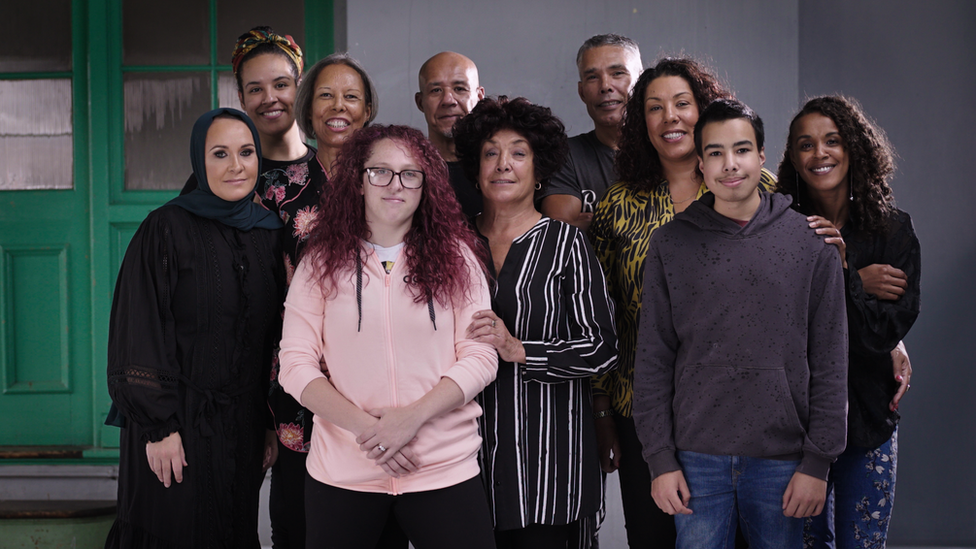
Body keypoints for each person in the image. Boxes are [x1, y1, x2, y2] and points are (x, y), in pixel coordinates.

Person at [633, 98, 849, 548]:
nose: (730, 165)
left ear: (762, 156)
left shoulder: (811, 244)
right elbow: (653, 359)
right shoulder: (670, 244)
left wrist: (817, 463)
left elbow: (831, 363)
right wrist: (660, 460)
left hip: (783, 460)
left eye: (742, 149)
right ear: (700, 162)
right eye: (715, 153)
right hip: (695, 460)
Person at [277, 124, 498, 549]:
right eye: (380, 171)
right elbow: (295, 365)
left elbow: (480, 356)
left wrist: (410, 419)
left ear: (425, 185)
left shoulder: (458, 259)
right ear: (358, 181)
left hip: (441, 466)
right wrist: (371, 431)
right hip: (345, 471)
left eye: (409, 173)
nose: (395, 184)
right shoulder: (320, 263)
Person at [588, 57, 776, 548]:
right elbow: (602, 316)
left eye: (682, 103)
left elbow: (806, 290)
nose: (670, 117)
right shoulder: (619, 205)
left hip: (741, 410)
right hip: (643, 413)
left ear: (705, 110)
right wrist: (603, 411)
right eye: (654, 108)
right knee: (652, 539)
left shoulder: (762, 188)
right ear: (641, 125)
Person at [105, 108, 284, 548]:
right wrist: (159, 428)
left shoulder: (268, 233)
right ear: (199, 162)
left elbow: (269, 340)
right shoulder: (166, 229)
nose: (236, 166)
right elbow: (139, 329)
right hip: (174, 426)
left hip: (239, 429)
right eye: (220, 154)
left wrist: (265, 423)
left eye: (246, 153)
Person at [453, 96, 618, 548]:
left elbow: (602, 347)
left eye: (518, 153)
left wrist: (521, 350)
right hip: (464, 467)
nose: (503, 164)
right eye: (491, 152)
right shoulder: (453, 245)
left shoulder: (567, 245)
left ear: (539, 166)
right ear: (475, 165)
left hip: (552, 471)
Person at [777, 96, 920, 548]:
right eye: (805, 144)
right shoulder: (778, 229)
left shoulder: (893, 232)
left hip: (868, 420)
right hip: (793, 426)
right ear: (793, 159)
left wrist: (839, 274)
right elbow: (776, 324)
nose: (819, 153)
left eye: (832, 140)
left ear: (853, 147)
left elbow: (880, 334)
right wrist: (855, 280)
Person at [539, 33, 642, 231]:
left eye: (618, 73)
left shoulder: (665, 149)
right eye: (593, 77)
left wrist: (597, 223)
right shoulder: (565, 155)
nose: (605, 86)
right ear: (581, 92)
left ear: (642, 82)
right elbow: (559, 235)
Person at [415, 51, 486, 219]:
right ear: (420, 102)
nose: (448, 100)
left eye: (460, 89)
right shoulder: (405, 172)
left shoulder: (501, 169)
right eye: (436, 90)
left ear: (480, 97)